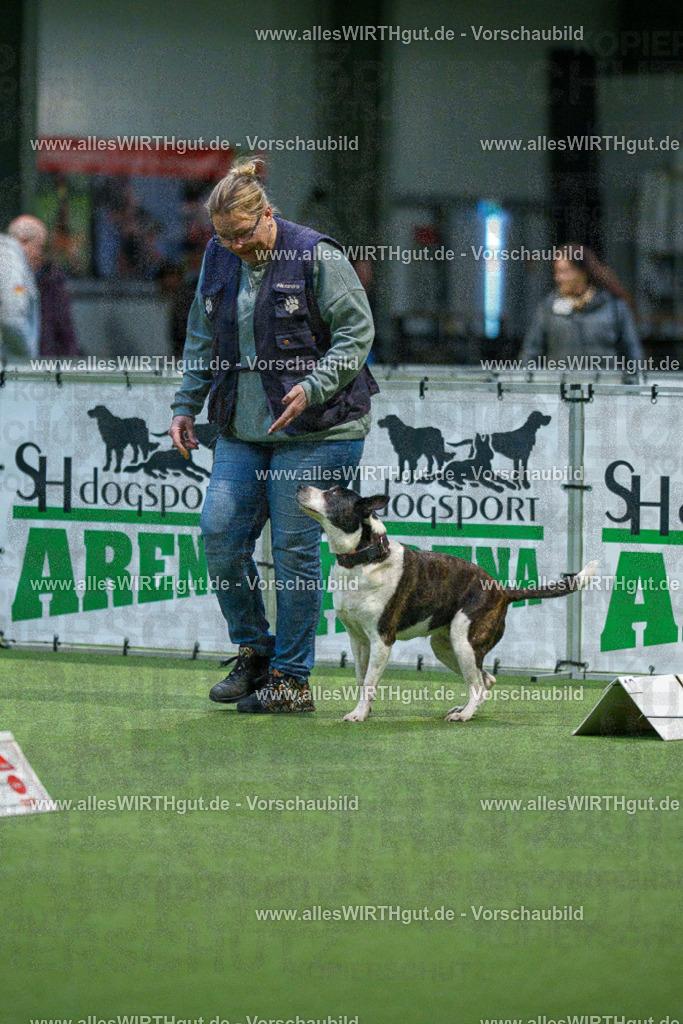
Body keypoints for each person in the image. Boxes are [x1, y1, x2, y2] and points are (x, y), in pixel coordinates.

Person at [169, 158, 378, 714]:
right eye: (224, 237)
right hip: (243, 428)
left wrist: (313, 387)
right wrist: (186, 405)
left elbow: (357, 333)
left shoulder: (316, 254)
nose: (236, 246)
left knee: (292, 551)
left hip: (320, 430)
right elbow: (201, 337)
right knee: (218, 534)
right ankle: (255, 651)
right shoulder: (218, 255)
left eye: (243, 234)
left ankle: (291, 679)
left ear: (267, 214)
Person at [519, 244, 644, 370]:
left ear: (583, 272)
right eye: (557, 271)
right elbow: (530, 353)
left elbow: (633, 353)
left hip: (605, 381)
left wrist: (633, 379)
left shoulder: (614, 308)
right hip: (561, 381)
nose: (558, 278)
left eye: (564, 271)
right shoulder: (547, 309)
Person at [8, 215, 80, 359]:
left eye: (42, 248)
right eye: (38, 247)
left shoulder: (52, 281)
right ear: (21, 242)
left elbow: (66, 334)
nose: (40, 254)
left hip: (43, 364)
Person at [0, 229, 40, 362]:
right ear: (23, 240)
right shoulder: (10, 262)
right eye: (39, 246)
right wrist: (26, 357)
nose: (39, 254)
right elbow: (12, 318)